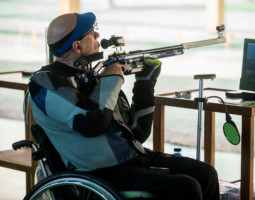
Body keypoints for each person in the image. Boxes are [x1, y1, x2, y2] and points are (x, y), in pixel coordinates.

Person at [27, 12, 220, 200]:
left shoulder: (93, 76)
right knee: (186, 186)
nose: (98, 36)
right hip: (99, 171)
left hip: (132, 157)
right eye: (92, 33)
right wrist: (111, 79)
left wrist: (145, 84)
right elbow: (92, 122)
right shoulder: (44, 83)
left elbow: (138, 133)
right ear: (77, 46)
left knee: (206, 173)